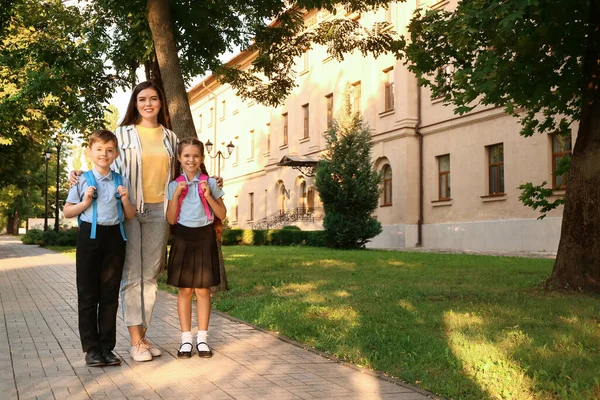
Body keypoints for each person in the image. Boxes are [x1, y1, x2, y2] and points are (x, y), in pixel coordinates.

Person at [64, 130, 136, 367]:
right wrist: (85, 202)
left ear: (115, 153)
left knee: (109, 296)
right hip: (89, 238)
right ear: (89, 152)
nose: (104, 154)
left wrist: (125, 199)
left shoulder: (121, 180)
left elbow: (129, 215)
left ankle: (107, 348)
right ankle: (91, 349)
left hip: (115, 238)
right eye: (99, 149)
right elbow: (67, 211)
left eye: (109, 150)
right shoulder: (81, 179)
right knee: (88, 294)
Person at [166, 137, 226, 358]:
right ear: (180, 159)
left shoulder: (210, 183)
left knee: (202, 290)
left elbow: (222, 214)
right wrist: (175, 195)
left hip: (204, 236)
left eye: (196, 156)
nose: (191, 160)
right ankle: (185, 340)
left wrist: (209, 196)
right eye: (187, 156)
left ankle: (202, 339)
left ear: (202, 158)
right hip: (182, 236)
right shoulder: (174, 184)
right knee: (185, 290)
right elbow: (171, 219)